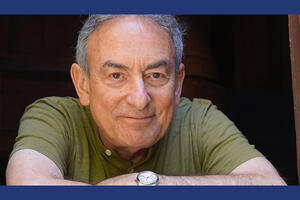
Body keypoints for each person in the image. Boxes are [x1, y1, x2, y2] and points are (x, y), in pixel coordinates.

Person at [6, 15, 285, 185]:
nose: (140, 99)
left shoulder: (199, 119)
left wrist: (147, 184)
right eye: (116, 75)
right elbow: (26, 185)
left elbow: (270, 185)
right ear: (83, 84)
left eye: (155, 75)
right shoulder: (54, 116)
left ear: (178, 84)